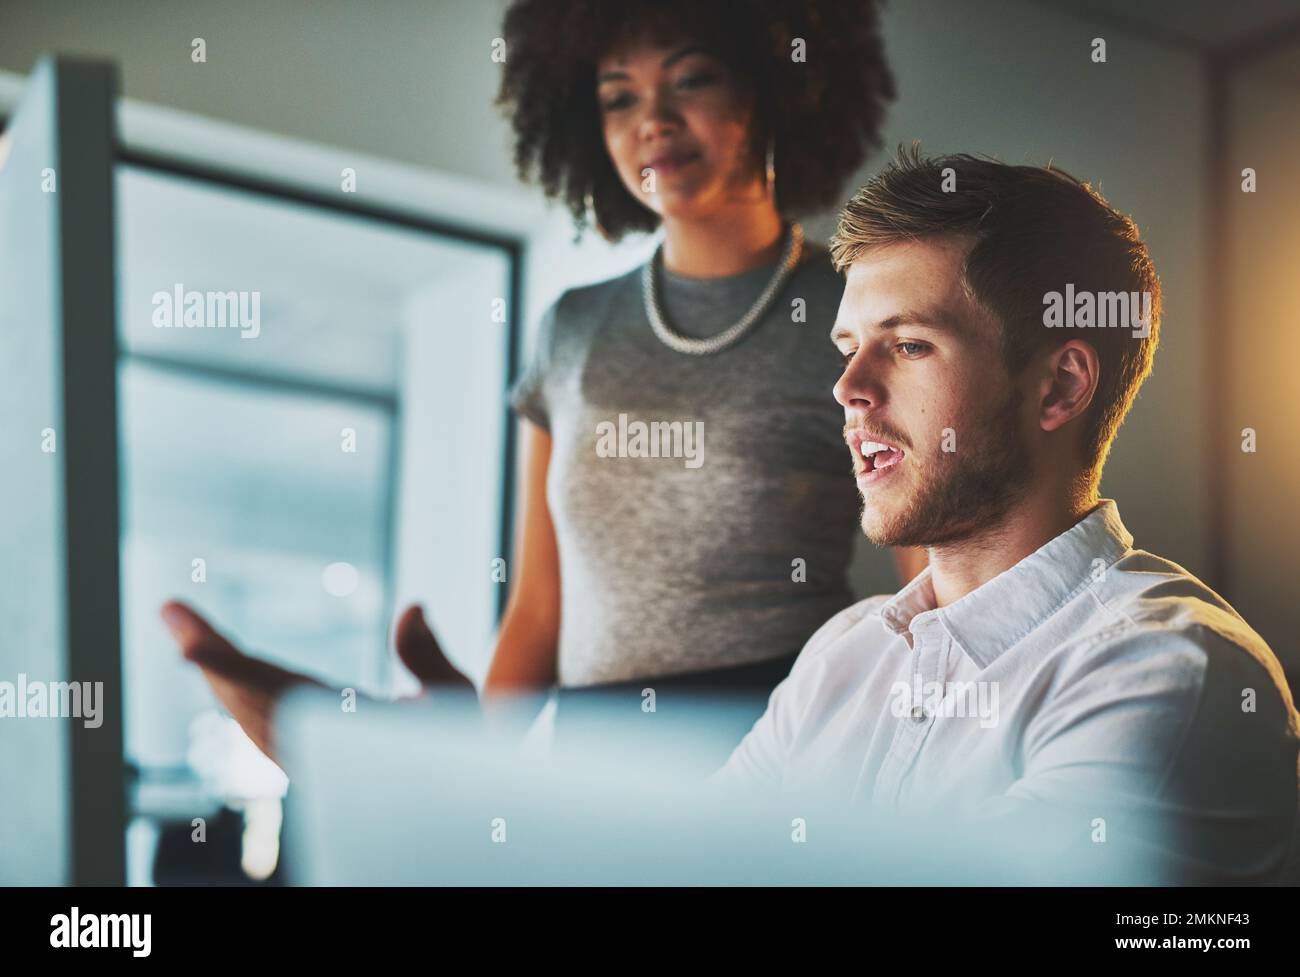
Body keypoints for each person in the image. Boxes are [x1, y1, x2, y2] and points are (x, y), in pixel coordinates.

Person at [163, 0, 917, 764]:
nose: (650, 120)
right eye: (618, 96)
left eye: (692, 79)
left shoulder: (853, 306)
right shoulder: (573, 327)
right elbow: (537, 605)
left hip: (785, 736)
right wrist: (470, 771)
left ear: (772, 86)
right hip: (589, 749)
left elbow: (932, 589)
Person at [708, 148, 1300, 882]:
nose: (848, 388)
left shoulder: (1166, 670)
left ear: (1058, 387)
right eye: (848, 349)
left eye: (909, 345)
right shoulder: (841, 656)